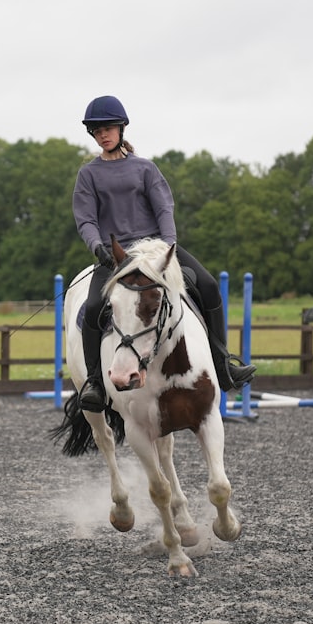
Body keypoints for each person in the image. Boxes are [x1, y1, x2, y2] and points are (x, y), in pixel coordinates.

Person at [72, 94, 256, 413]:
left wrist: (167, 247)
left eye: (108, 127)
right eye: (97, 129)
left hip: (156, 248)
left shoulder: (145, 168)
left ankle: (223, 364)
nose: (103, 133)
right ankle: (95, 383)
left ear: (122, 128)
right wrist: (98, 248)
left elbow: (164, 208)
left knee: (209, 286)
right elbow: (86, 218)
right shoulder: (88, 175)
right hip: (115, 255)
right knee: (92, 308)